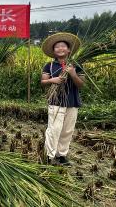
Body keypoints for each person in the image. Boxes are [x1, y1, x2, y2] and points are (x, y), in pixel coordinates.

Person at [41, 32, 85, 166]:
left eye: (63, 46)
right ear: (53, 51)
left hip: (72, 102)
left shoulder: (76, 65)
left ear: (69, 50)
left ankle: (62, 155)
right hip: (56, 102)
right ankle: (48, 155)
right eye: (57, 47)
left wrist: (72, 74)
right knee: (54, 129)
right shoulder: (49, 65)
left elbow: (81, 84)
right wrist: (52, 80)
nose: (60, 49)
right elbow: (43, 82)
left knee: (67, 130)